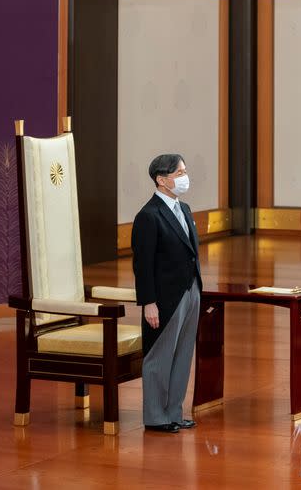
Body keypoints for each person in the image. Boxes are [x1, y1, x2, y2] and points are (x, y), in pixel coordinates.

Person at [132, 154, 203, 433]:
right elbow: (143, 265)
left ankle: (174, 412)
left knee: (183, 355)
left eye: (185, 171)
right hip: (164, 298)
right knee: (159, 356)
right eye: (179, 173)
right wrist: (149, 302)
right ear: (162, 180)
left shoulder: (183, 209)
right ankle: (155, 416)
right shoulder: (148, 216)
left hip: (190, 290)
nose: (185, 178)